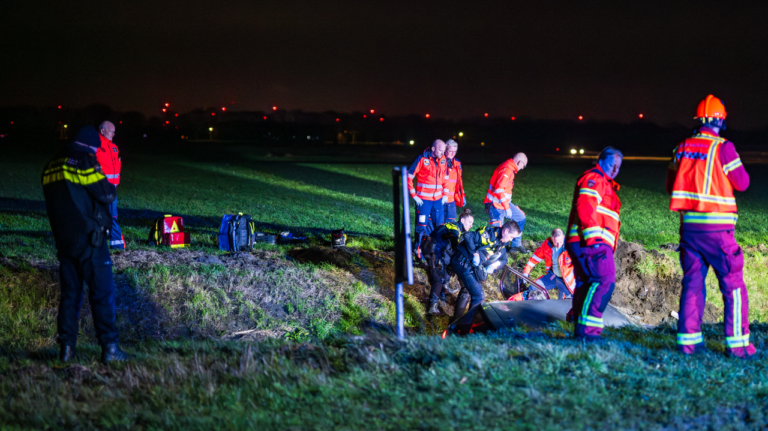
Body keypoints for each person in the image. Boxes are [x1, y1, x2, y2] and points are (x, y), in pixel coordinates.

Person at [666, 95, 754, 358]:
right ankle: (738, 346)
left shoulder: (681, 147)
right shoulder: (724, 148)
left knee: (693, 284)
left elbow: (671, 186)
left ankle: (688, 344)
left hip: (689, 231)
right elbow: (743, 183)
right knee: (733, 285)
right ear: (721, 120)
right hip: (718, 231)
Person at [42, 125, 133, 364]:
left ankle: (66, 350)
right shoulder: (84, 160)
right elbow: (106, 195)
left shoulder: (51, 164)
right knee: (102, 294)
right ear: (92, 146)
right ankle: (110, 350)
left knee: (70, 296)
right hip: (90, 241)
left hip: (64, 242)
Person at [565, 147, 623, 340]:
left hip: (583, 241)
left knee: (586, 284)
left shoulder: (604, 183)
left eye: (619, 166)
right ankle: (588, 334)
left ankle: (577, 324)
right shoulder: (596, 179)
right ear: (601, 161)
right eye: (612, 164)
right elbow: (586, 206)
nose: (615, 169)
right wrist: (594, 240)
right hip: (591, 241)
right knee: (604, 281)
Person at [451, 220, 522, 320]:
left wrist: (493, 266)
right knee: (479, 296)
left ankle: (456, 321)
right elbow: (467, 236)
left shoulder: (502, 243)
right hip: (462, 261)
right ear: (505, 231)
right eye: (512, 236)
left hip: (468, 264)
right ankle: (466, 326)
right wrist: (474, 253)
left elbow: (503, 260)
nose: (511, 239)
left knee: (466, 290)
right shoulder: (488, 234)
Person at [423, 208, 474, 314]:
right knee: (437, 279)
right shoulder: (455, 229)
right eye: (469, 222)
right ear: (462, 220)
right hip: (432, 251)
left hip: (436, 250)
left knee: (449, 266)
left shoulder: (455, 226)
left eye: (472, 223)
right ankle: (432, 307)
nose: (471, 225)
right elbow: (453, 241)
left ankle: (445, 287)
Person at [408, 139, 449, 256]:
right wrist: (414, 195)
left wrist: (445, 194)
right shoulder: (421, 159)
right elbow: (409, 177)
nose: (443, 153)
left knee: (439, 226)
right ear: (433, 149)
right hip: (423, 201)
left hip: (438, 200)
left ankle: (435, 250)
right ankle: (418, 248)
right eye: (441, 150)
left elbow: (445, 179)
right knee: (421, 226)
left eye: (444, 150)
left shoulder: (443, 160)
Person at [484, 153, 529, 253]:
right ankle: (496, 253)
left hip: (503, 204)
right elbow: (499, 190)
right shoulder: (507, 169)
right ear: (519, 162)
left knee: (521, 218)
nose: (522, 168)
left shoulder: (509, 168)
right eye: (523, 165)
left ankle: (515, 245)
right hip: (495, 206)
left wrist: (507, 205)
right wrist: (507, 207)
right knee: (498, 231)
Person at [521, 228, 575, 300]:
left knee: (564, 303)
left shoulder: (571, 246)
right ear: (552, 239)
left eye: (560, 242)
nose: (558, 245)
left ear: (563, 237)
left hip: (566, 281)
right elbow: (534, 259)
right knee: (532, 288)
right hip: (552, 276)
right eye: (556, 242)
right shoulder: (547, 245)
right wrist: (525, 273)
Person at [96, 121, 124, 250]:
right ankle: (96, 243)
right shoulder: (96, 146)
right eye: (111, 131)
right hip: (99, 188)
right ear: (102, 131)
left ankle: (117, 245)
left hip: (112, 189)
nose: (114, 133)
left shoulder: (114, 147)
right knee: (97, 216)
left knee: (113, 215)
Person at [443, 139, 466, 223]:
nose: (453, 154)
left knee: (451, 221)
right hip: (440, 198)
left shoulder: (457, 164)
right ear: (445, 150)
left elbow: (459, 181)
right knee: (440, 223)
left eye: (455, 151)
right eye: (450, 151)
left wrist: (462, 195)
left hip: (451, 199)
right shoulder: (440, 162)